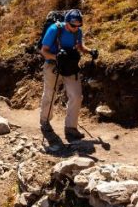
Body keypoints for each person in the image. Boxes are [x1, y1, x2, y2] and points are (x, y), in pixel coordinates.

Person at [38, 9, 97, 140]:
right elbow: (43, 51)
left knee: (76, 96)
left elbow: (80, 47)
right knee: (50, 94)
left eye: (78, 25)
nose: (76, 28)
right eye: (73, 25)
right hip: (53, 66)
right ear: (66, 22)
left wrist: (90, 51)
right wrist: (56, 57)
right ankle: (45, 121)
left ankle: (71, 128)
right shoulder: (54, 29)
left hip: (70, 66)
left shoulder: (78, 32)